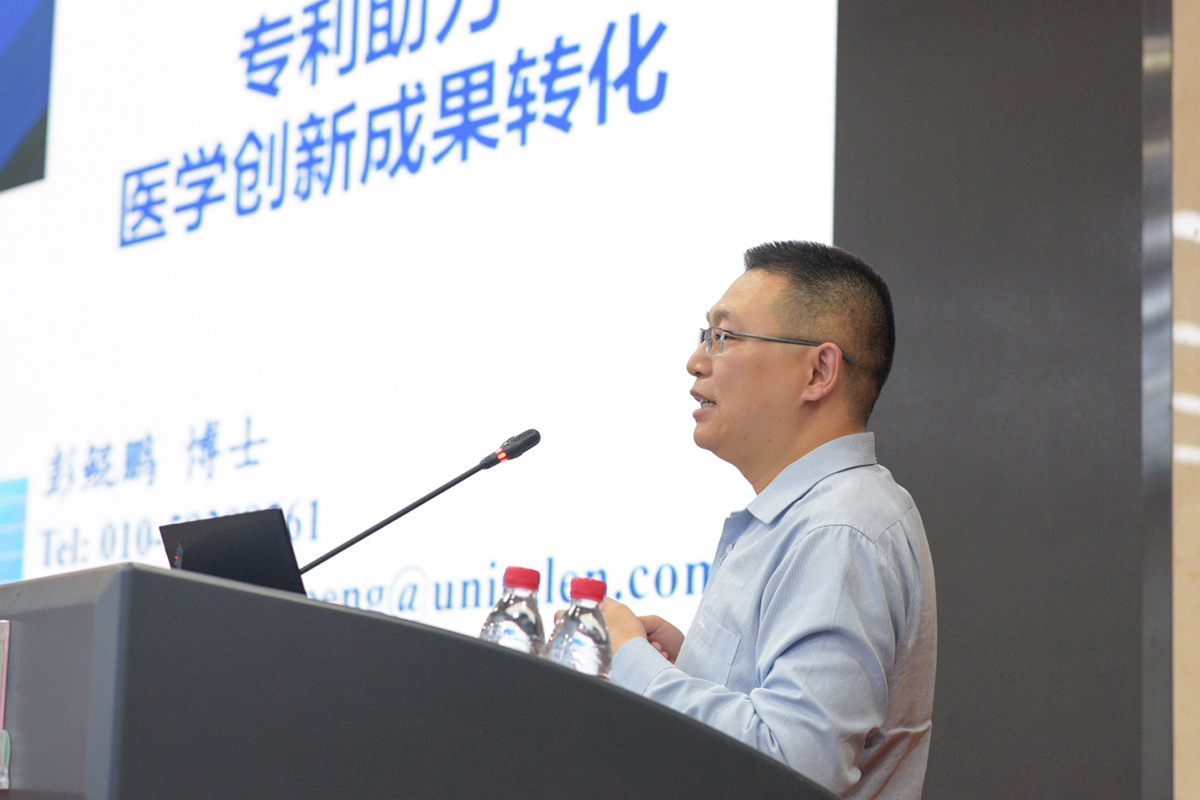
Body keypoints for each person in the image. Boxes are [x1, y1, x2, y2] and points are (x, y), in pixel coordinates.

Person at [604, 241, 937, 799]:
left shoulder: (838, 529)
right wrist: (696, 672)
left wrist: (633, 664)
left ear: (818, 371)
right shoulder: (818, 516)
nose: (696, 360)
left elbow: (793, 766)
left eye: (724, 336)